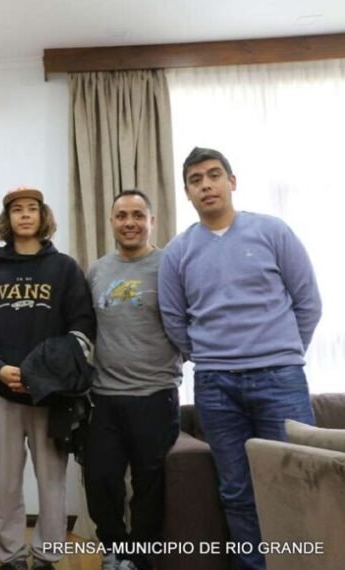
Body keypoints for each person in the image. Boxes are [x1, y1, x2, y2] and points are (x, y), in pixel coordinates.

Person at [158, 147, 322, 570]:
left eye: (214, 175)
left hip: (280, 379)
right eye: (196, 180)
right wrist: (211, 357)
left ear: (232, 181)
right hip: (216, 386)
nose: (206, 185)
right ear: (188, 193)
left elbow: (307, 303)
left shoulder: (272, 231)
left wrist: (281, 352)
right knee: (237, 490)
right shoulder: (178, 252)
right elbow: (175, 321)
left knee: (294, 482)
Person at [0, 188, 95, 570]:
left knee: (51, 481)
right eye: (17, 210)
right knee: (6, 482)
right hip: (0, 391)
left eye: (32, 209)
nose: (25, 215)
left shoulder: (65, 269)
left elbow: (83, 326)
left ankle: (47, 555)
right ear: (8, 219)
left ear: (42, 216)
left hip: (49, 394)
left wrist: (41, 374)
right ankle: (10, 556)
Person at [84, 190, 182, 570]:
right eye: (122, 215)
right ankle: (114, 548)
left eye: (138, 215)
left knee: (149, 484)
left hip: (155, 395)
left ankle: (141, 559)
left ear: (151, 221)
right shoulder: (97, 271)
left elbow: (185, 323)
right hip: (104, 397)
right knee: (101, 479)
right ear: (111, 221)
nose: (130, 222)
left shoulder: (168, 267)